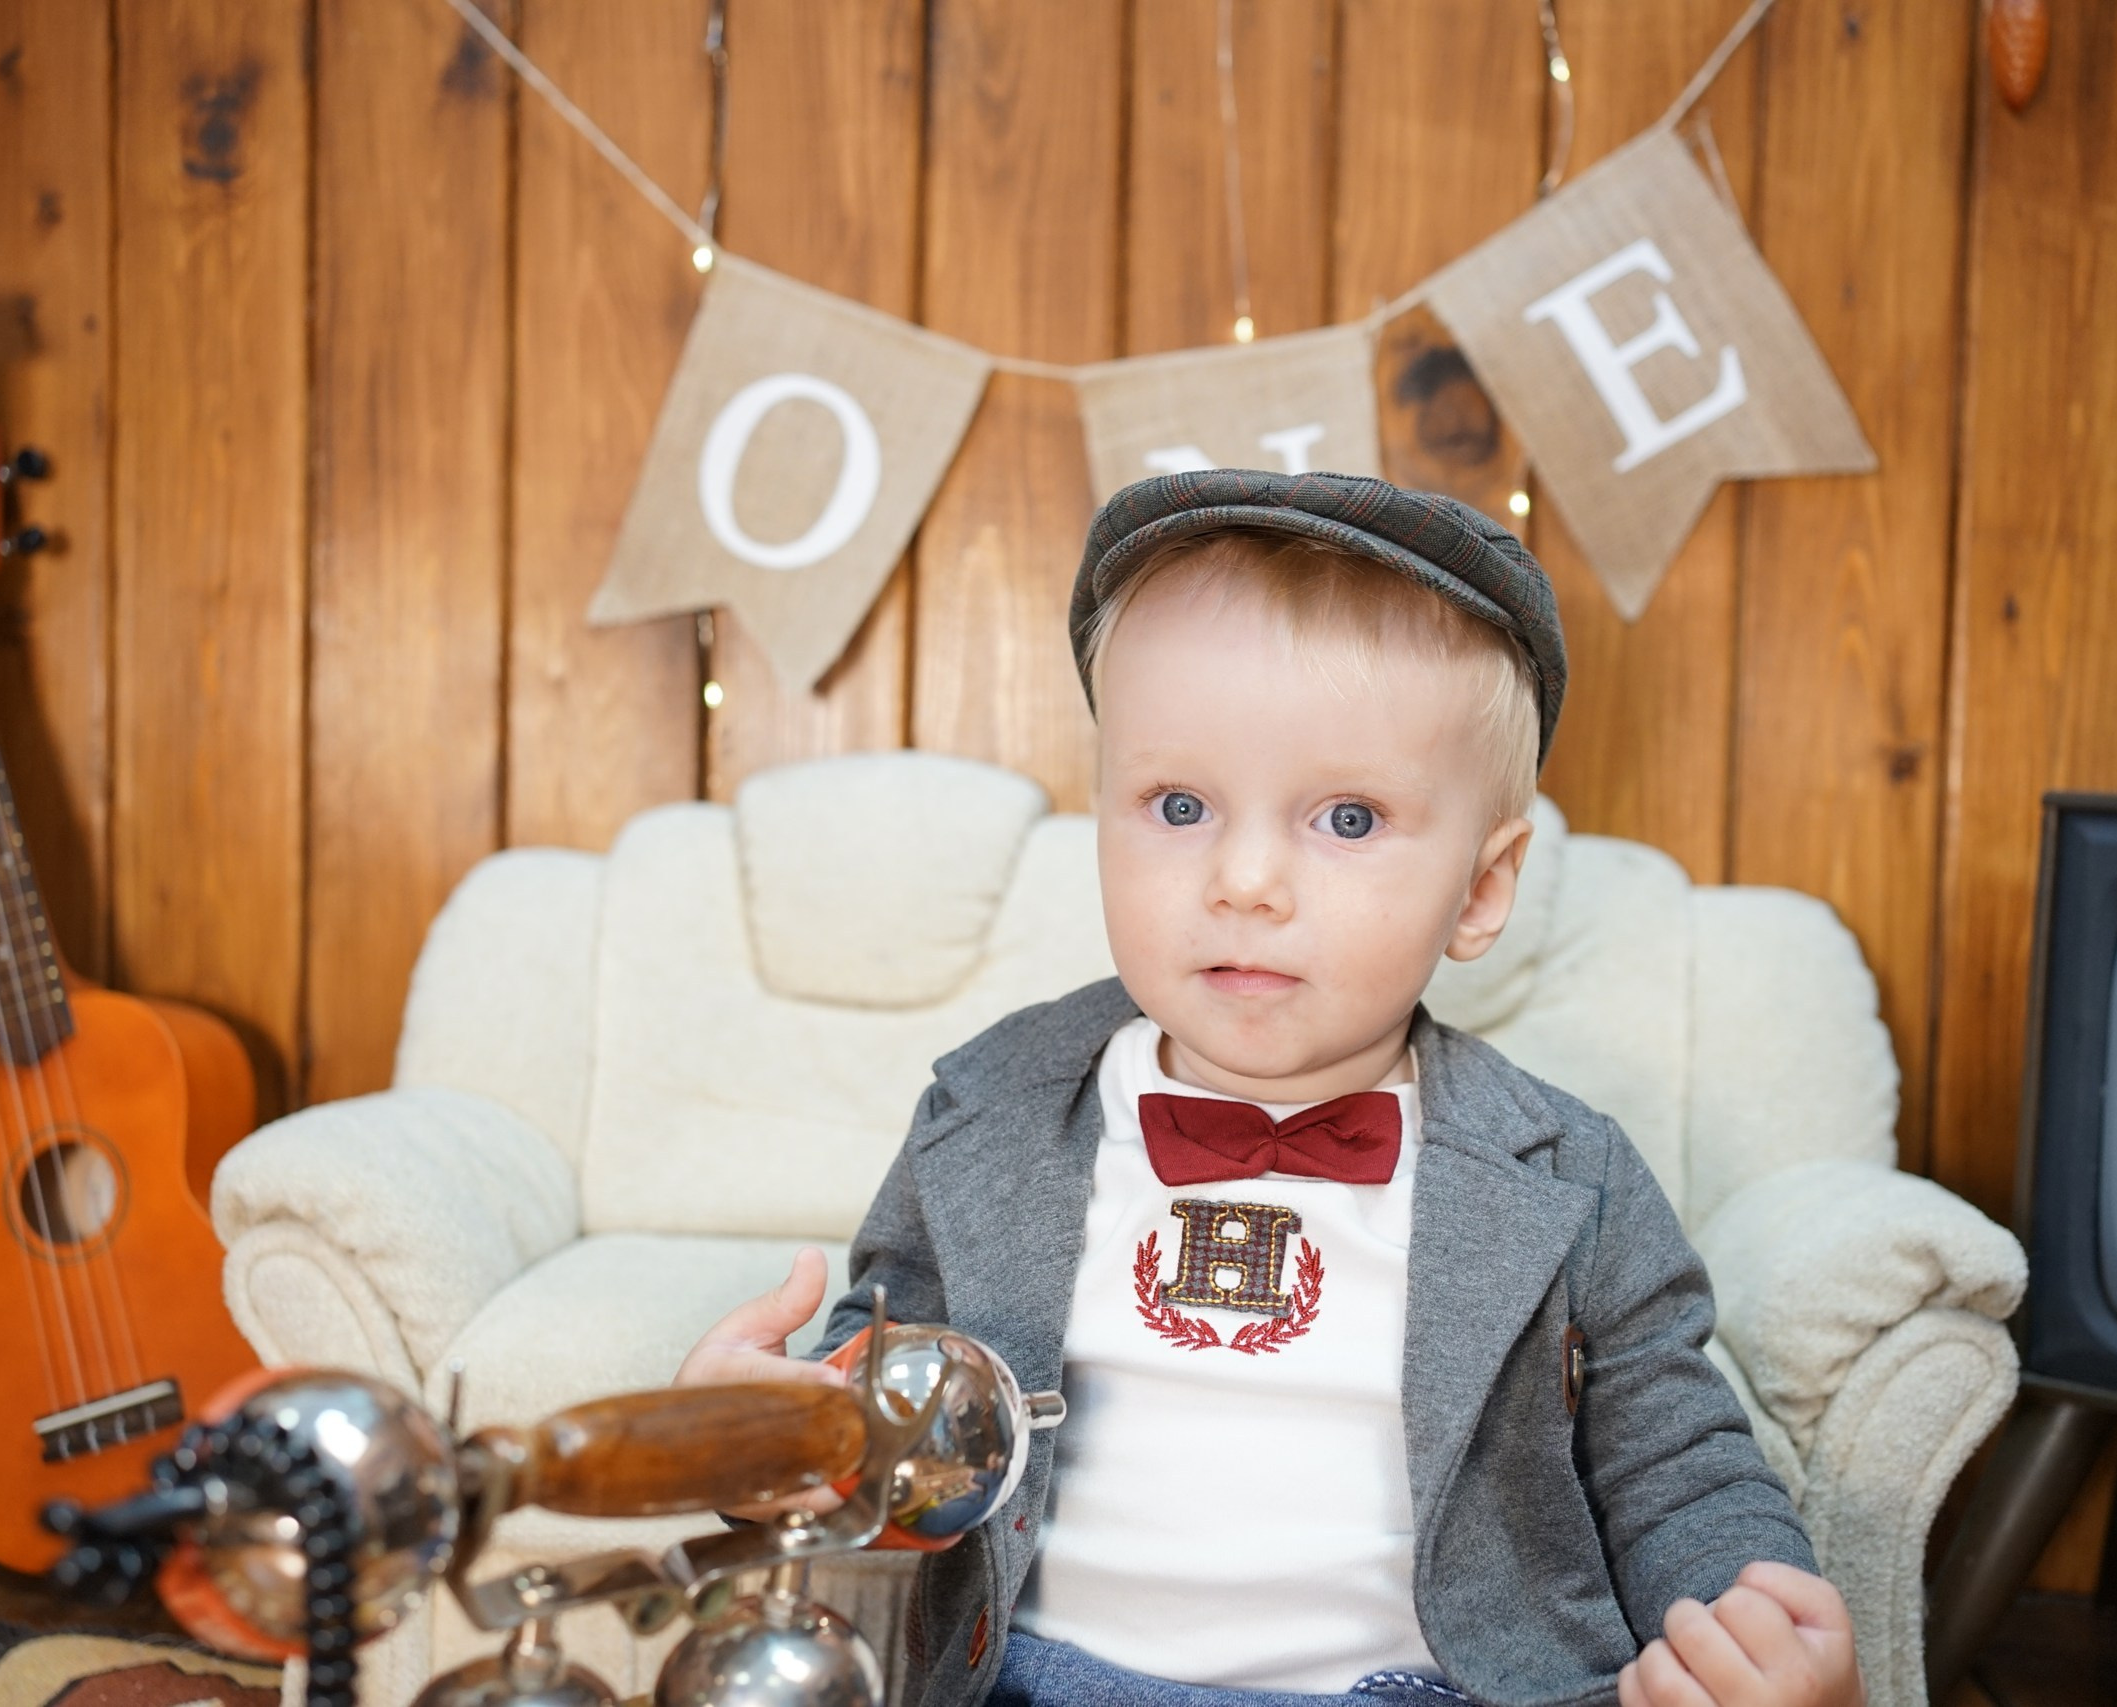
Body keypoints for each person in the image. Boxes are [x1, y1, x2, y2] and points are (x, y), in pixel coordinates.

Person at [675, 470, 1863, 1707]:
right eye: (1178, 805)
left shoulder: (1569, 1174)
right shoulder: (991, 1111)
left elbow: (1676, 1458)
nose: (1244, 879)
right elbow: (891, 1395)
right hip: (1042, 1683)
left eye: (1347, 819)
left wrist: (1755, 1618)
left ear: (1481, 888)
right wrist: (763, 1436)